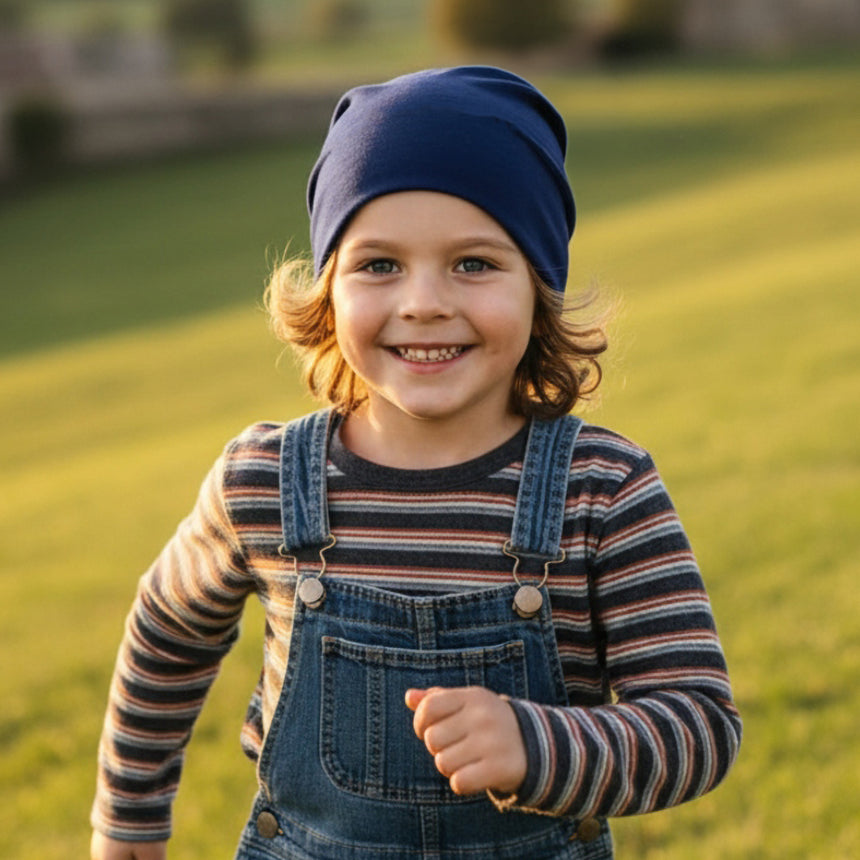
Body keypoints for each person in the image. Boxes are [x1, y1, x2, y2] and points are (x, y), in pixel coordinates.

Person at [90, 66, 741, 860]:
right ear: (328, 290)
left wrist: (541, 748)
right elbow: (166, 636)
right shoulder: (261, 483)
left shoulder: (601, 491)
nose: (423, 301)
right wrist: (127, 816)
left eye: (474, 263)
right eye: (378, 264)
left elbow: (699, 722)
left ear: (539, 288)